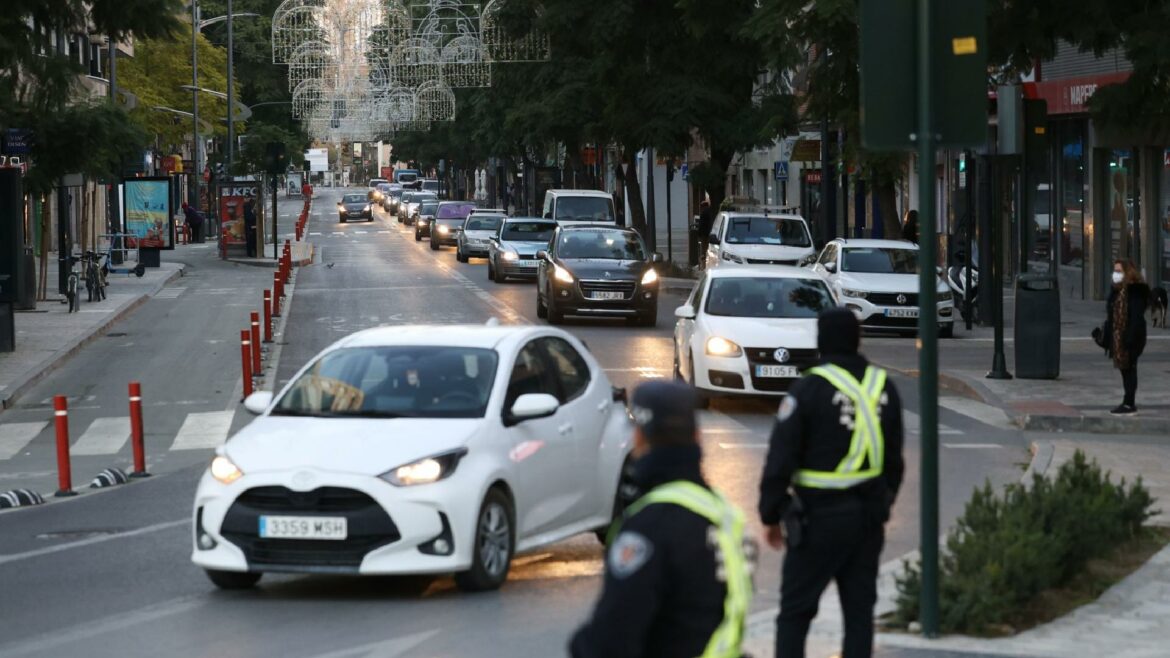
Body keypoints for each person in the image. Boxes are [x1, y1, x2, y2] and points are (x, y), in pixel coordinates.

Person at [759, 308, 905, 658]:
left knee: (795, 613)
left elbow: (781, 457)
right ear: (857, 340)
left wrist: (772, 512)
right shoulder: (882, 387)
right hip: (867, 519)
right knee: (858, 616)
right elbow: (894, 462)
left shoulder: (808, 389)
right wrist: (882, 504)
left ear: (821, 341)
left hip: (817, 520)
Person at [570, 380, 755, 658]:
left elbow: (610, 640)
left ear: (639, 440)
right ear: (697, 437)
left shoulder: (649, 528)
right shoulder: (730, 519)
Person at [1103, 259, 1149, 415]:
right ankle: (1127, 401)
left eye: (1119, 271)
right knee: (1124, 369)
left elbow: (1136, 318)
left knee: (1129, 368)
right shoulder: (1116, 290)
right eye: (1114, 271)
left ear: (1127, 273)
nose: (1115, 274)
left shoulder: (1135, 292)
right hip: (1118, 337)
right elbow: (1112, 315)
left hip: (1131, 337)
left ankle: (1129, 403)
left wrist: (1129, 338)